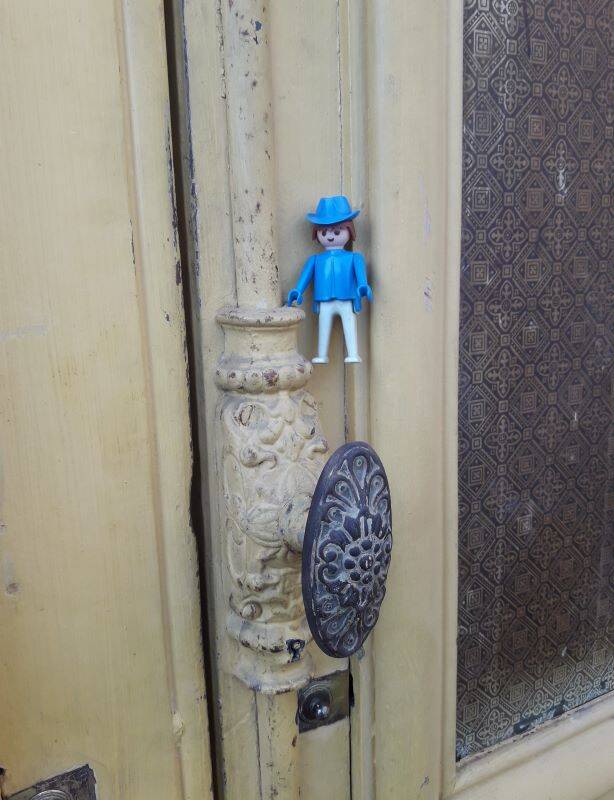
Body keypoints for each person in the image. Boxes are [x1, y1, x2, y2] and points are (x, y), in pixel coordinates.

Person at [287, 195, 373, 364]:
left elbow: (360, 275)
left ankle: (353, 353)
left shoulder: (354, 257)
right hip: (324, 300)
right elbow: (306, 276)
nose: (330, 236)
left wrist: (363, 286)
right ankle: (321, 354)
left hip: (346, 298)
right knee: (323, 325)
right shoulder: (315, 260)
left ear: (349, 230)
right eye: (324, 232)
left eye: (337, 231)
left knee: (349, 323)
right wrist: (298, 290)